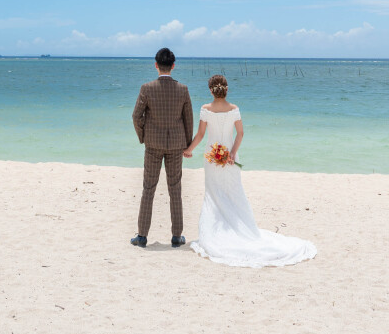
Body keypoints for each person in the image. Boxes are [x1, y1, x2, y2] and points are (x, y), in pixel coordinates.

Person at [184, 73, 317, 268]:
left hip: (212, 158)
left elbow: (201, 134)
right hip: (229, 159)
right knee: (233, 192)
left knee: (213, 194)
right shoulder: (234, 109)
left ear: (210, 90)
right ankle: (239, 228)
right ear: (226, 89)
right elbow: (240, 133)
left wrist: (189, 150)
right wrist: (232, 154)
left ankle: (216, 231)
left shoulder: (205, 109)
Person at [131, 47, 194, 248]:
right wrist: (188, 144)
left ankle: (141, 236)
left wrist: (143, 136)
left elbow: (136, 116)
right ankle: (176, 236)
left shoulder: (147, 88)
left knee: (148, 188)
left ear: (156, 65)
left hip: (153, 145)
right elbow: (188, 120)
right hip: (176, 145)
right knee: (175, 189)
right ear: (173, 66)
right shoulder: (183, 89)